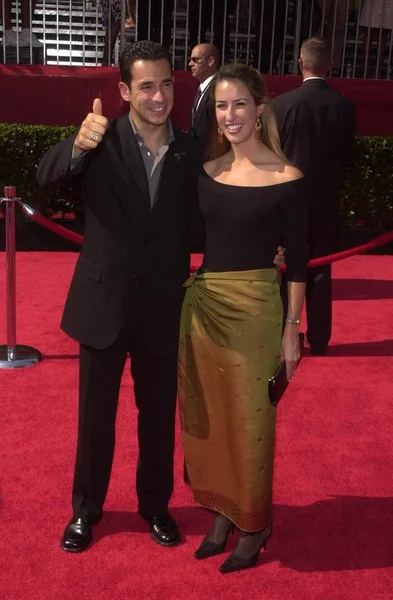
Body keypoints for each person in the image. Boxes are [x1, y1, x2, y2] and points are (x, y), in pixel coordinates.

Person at [37, 40, 285, 554]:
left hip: (163, 307)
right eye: (146, 86)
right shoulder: (100, 139)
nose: (159, 96)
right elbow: (46, 176)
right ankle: (86, 510)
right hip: (103, 304)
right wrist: (78, 145)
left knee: (157, 419)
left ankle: (155, 506)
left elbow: (206, 226)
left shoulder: (193, 151)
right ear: (125, 91)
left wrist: (264, 246)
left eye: (167, 83)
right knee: (94, 418)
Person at [178, 62, 309, 574]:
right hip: (205, 309)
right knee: (209, 418)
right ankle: (218, 513)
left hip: (257, 313)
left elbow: (298, 260)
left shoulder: (289, 178)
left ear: (259, 109)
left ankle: (254, 523)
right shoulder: (207, 173)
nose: (229, 116)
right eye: (220, 106)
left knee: (252, 419)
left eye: (238, 105)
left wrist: (292, 330)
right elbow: (188, 239)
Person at [272, 36, 356, 355]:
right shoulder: (344, 107)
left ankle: (281, 333)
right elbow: (347, 154)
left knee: (283, 269)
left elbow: (272, 155)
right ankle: (319, 338)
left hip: (286, 202)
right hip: (324, 202)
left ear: (300, 64)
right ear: (330, 65)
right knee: (321, 269)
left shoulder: (281, 105)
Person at [189, 43, 220, 153]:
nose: (190, 64)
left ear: (211, 61)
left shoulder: (219, 90)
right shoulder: (203, 89)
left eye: (195, 60)